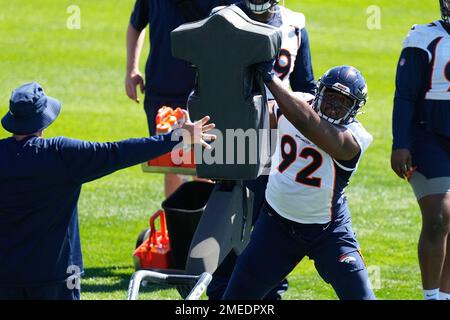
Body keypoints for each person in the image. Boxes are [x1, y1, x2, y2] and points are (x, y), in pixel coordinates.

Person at [0, 82, 214, 300]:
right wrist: (176, 137)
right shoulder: (60, 154)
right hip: (55, 275)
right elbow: (118, 152)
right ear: (43, 121)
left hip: (5, 275)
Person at [222, 65, 375, 300]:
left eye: (343, 101)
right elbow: (258, 117)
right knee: (236, 299)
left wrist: (270, 78)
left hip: (328, 230)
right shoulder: (296, 103)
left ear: (354, 108)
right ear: (319, 92)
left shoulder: (354, 138)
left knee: (361, 296)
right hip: (276, 224)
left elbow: (307, 122)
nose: (334, 105)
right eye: (331, 96)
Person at [206, 0, 316, 300]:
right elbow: (205, 76)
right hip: (235, 137)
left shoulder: (294, 23)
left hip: (277, 141)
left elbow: (306, 85)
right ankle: (220, 293)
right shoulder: (223, 17)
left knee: (273, 221)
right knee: (231, 220)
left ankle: (269, 294)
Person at [125, 0, 238, 198]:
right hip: (162, 92)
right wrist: (131, 69)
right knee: (173, 165)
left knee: (205, 167)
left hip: (206, 91)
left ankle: (204, 227)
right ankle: (177, 226)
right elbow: (137, 23)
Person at [390, 0, 450, 300]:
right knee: (439, 217)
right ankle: (430, 297)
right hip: (428, 136)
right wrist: (400, 143)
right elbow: (405, 95)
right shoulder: (423, 37)